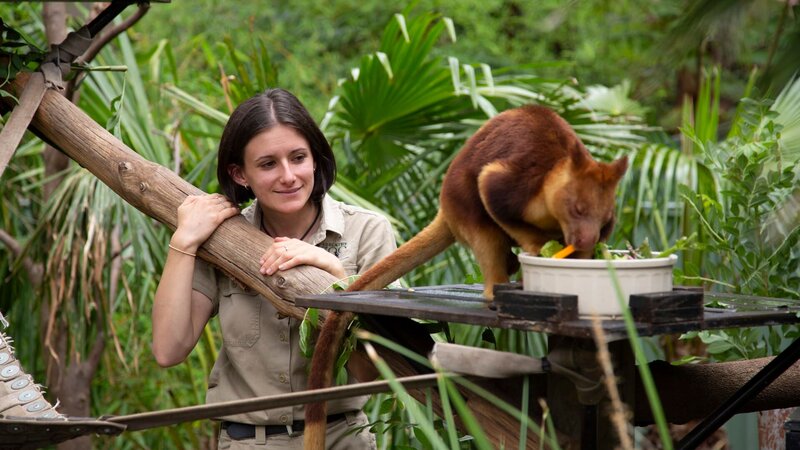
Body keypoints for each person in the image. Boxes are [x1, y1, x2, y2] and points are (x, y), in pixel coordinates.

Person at [152, 88, 397, 449]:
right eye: (267, 164)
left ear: (315, 159)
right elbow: (168, 350)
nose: (288, 176)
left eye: (298, 157)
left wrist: (334, 276)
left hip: (341, 437)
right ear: (240, 174)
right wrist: (184, 242)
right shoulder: (218, 238)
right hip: (248, 441)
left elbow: (374, 369)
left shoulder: (367, 231)